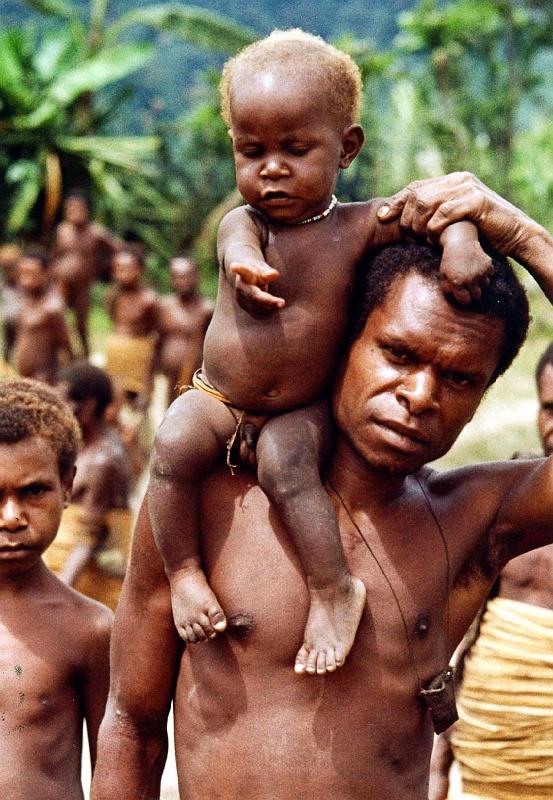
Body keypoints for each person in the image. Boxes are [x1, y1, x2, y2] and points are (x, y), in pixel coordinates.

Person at [91, 173, 553, 800]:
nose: (420, 397)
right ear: (341, 342)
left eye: (460, 380)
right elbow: (132, 728)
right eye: (398, 354)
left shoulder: (472, 521)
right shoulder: (208, 503)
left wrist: (524, 235)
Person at [149, 29, 492, 675]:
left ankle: (333, 588)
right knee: (170, 447)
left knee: (287, 468)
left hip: (299, 408)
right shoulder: (243, 224)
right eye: (251, 152)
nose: (271, 168)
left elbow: (443, 204)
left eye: (295, 149)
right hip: (218, 396)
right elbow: (235, 247)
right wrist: (246, 267)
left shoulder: (359, 226)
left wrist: (462, 246)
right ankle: (186, 572)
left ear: (347, 148)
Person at [429, 342, 553, 800]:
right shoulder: (511, 503)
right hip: (485, 758)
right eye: (549, 408)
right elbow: (464, 637)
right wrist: (440, 765)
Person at [0, 378, 112, 800]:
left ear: (67, 485)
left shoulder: (90, 629)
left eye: (33, 492)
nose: (12, 517)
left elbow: (117, 769)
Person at [43, 361, 132, 611]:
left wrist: (58, 597)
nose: (57, 411)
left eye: (63, 403)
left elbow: (89, 540)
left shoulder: (104, 461)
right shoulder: (82, 448)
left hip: (86, 582)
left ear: (89, 406)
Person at [52, 191, 120, 356]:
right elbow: (56, 254)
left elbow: (118, 250)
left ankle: (85, 356)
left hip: (83, 284)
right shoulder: (62, 230)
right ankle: (62, 354)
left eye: (78, 209)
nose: (74, 213)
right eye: (70, 209)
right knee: (57, 315)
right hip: (62, 281)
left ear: (86, 210)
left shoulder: (96, 232)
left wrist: (104, 268)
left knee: (81, 323)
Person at [104, 244, 159, 411]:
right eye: (118, 268)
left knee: (136, 408)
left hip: (137, 361)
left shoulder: (148, 300)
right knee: (113, 402)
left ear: (139, 270)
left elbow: (154, 338)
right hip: (115, 359)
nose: (123, 273)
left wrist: (148, 386)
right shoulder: (113, 296)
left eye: (128, 268)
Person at [156, 256, 213, 407]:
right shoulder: (164, 306)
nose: (182, 281)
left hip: (196, 380)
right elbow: (157, 342)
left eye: (187, 276)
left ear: (196, 277)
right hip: (167, 378)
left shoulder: (206, 309)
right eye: (177, 277)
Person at [13, 246, 73, 383]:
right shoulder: (25, 301)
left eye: (31, 273)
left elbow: (66, 347)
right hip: (24, 378)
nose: (25, 279)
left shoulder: (52, 308)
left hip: (44, 379)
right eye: (22, 273)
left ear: (46, 274)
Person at [0, 242, 23, 364]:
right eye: (5, 268)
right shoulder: (3, 282)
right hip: (8, 319)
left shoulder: (24, 282)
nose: (8, 271)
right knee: (7, 345)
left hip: (22, 320)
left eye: (11, 267)